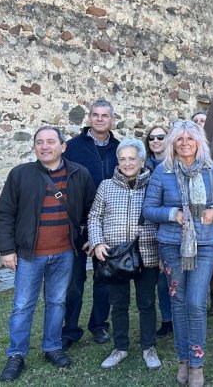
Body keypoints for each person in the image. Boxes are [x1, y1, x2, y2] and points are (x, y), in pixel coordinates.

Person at [0, 126, 96, 381]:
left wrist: (87, 239)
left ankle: (52, 346)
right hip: (30, 254)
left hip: (64, 253)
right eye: (39, 142)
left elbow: (91, 210)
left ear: (63, 146)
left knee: (57, 302)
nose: (44, 146)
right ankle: (16, 354)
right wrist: (7, 249)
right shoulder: (20, 175)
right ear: (34, 147)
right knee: (22, 306)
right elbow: (5, 214)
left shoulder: (79, 173)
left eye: (51, 142)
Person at [142, 120, 213, 387]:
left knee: (195, 303)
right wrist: (173, 214)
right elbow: (148, 210)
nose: (185, 143)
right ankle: (183, 361)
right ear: (173, 143)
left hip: (203, 245)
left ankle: (197, 363)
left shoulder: (211, 170)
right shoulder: (162, 172)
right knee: (178, 303)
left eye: (190, 138)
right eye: (179, 139)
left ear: (199, 141)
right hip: (171, 245)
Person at [88, 139, 161, 370]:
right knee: (118, 304)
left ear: (141, 160)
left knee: (147, 303)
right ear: (117, 161)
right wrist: (98, 242)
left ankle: (148, 347)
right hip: (115, 256)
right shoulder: (106, 186)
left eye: (132, 158)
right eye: (123, 159)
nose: (127, 163)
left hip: (147, 253)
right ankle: (120, 347)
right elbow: (94, 217)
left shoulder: (154, 184)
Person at [62, 99, 118, 349]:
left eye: (104, 115)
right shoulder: (73, 148)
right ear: (89, 118)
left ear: (112, 119)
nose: (99, 119)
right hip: (77, 226)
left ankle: (99, 325)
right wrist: (83, 230)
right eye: (95, 115)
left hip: (108, 226)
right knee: (73, 283)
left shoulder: (119, 148)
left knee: (103, 279)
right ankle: (70, 329)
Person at [143, 125, 173, 337]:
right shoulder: (143, 166)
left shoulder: (173, 165)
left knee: (167, 276)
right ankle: (159, 317)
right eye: (151, 137)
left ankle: (170, 318)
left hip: (167, 224)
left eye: (160, 137)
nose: (155, 140)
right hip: (146, 226)